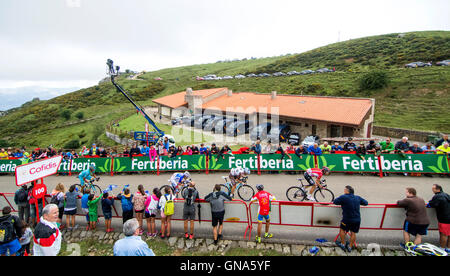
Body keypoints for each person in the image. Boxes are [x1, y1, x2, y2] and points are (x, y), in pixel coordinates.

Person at [333, 186, 368, 253]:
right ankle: (350, 246)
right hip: (357, 219)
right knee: (353, 232)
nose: (344, 191)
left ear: (347, 191)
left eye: (344, 190)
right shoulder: (358, 197)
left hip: (347, 219)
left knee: (342, 229)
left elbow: (335, 202)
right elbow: (366, 203)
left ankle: (343, 244)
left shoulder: (344, 197)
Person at [427, 184, 450, 253]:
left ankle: (442, 248)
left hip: (444, 218)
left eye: (433, 189)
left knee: (443, 234)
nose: (432, 190)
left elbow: (431, 204)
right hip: (448, 216)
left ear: (438, 189)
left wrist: (429, 203)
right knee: (449, 234)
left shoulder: (437, 196)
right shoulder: (446, 195)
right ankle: (448, 248)